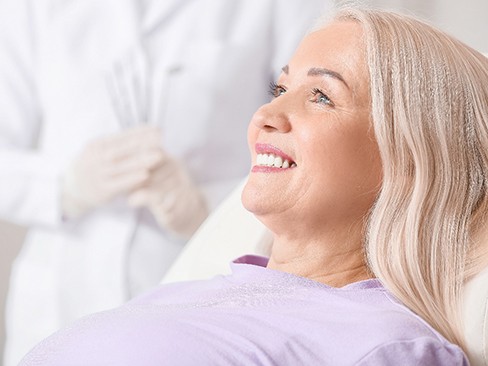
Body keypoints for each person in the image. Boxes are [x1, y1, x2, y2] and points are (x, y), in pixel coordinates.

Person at [17, 4, 488, 365]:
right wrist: (65, 188)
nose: (264, 115)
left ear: (411, 156)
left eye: (321, 96)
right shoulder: (183, 294)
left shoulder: (384, 345)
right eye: (280, 90)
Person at [0, 0, 330, 364]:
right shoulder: (28, 8)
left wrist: (206, 207)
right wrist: (64, 187)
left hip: (196, 280)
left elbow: (318, 140)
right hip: (56, 297)